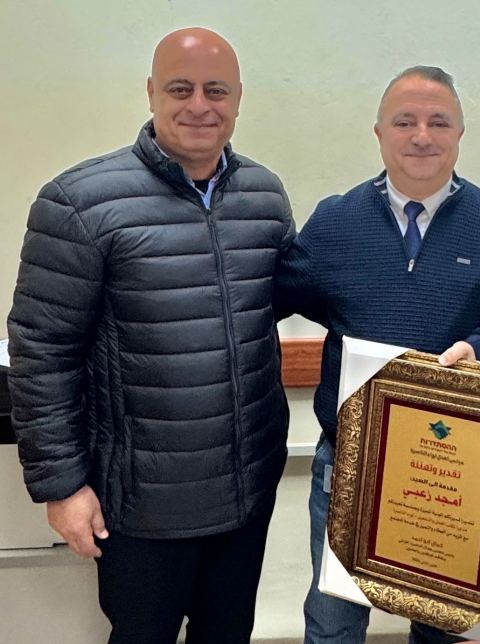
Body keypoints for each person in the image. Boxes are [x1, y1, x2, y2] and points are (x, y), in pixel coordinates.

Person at [7, 28, 295, 644]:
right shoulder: (78, 202)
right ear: (151, 93)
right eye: (180, 89)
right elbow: (42, 352)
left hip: (246, 490)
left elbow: (284, 303)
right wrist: (62, 486)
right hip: (140, 505)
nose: (200, 105)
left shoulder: (265, 196)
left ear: (238, 98)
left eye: (216, 90)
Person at [275, 65, 480, 644]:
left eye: (438, 122)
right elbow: (277, 298)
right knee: (333, 623)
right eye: (405, 122)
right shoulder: (335, 224)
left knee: (442, 626)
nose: (422, 135)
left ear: (459, 134)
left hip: (453, 468)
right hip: (350, 463)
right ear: (379, 133)